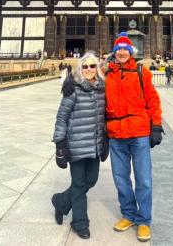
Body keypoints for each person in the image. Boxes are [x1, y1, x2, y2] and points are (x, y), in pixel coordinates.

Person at [62, 32, 163, 242]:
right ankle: (128, 214)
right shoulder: (107, 74)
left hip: (139, 132)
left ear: (131, 52)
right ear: (114, 53)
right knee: (121, 179)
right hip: (116, 134)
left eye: (126, 49)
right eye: (119, 50)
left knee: (143, 179)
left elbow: (153, 99)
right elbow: (86, 76)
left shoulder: (141, 71)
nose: (123, 52)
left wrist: (156, 125)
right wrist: (69, 81)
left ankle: (144, 220)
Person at [51, 52, 109, 239]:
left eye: (93, 66)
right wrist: (60, 144)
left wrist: (105, 139)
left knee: (90, 180)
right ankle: (80, 222)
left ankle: (60, 201)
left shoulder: (102, 89)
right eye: (85, 67)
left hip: (94, 145)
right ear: (80, 69)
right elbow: (62, 117)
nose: (89, 70)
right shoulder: (72, 89)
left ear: (97, 69)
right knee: (78, 184)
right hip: (76, 145)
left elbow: (104, 116)